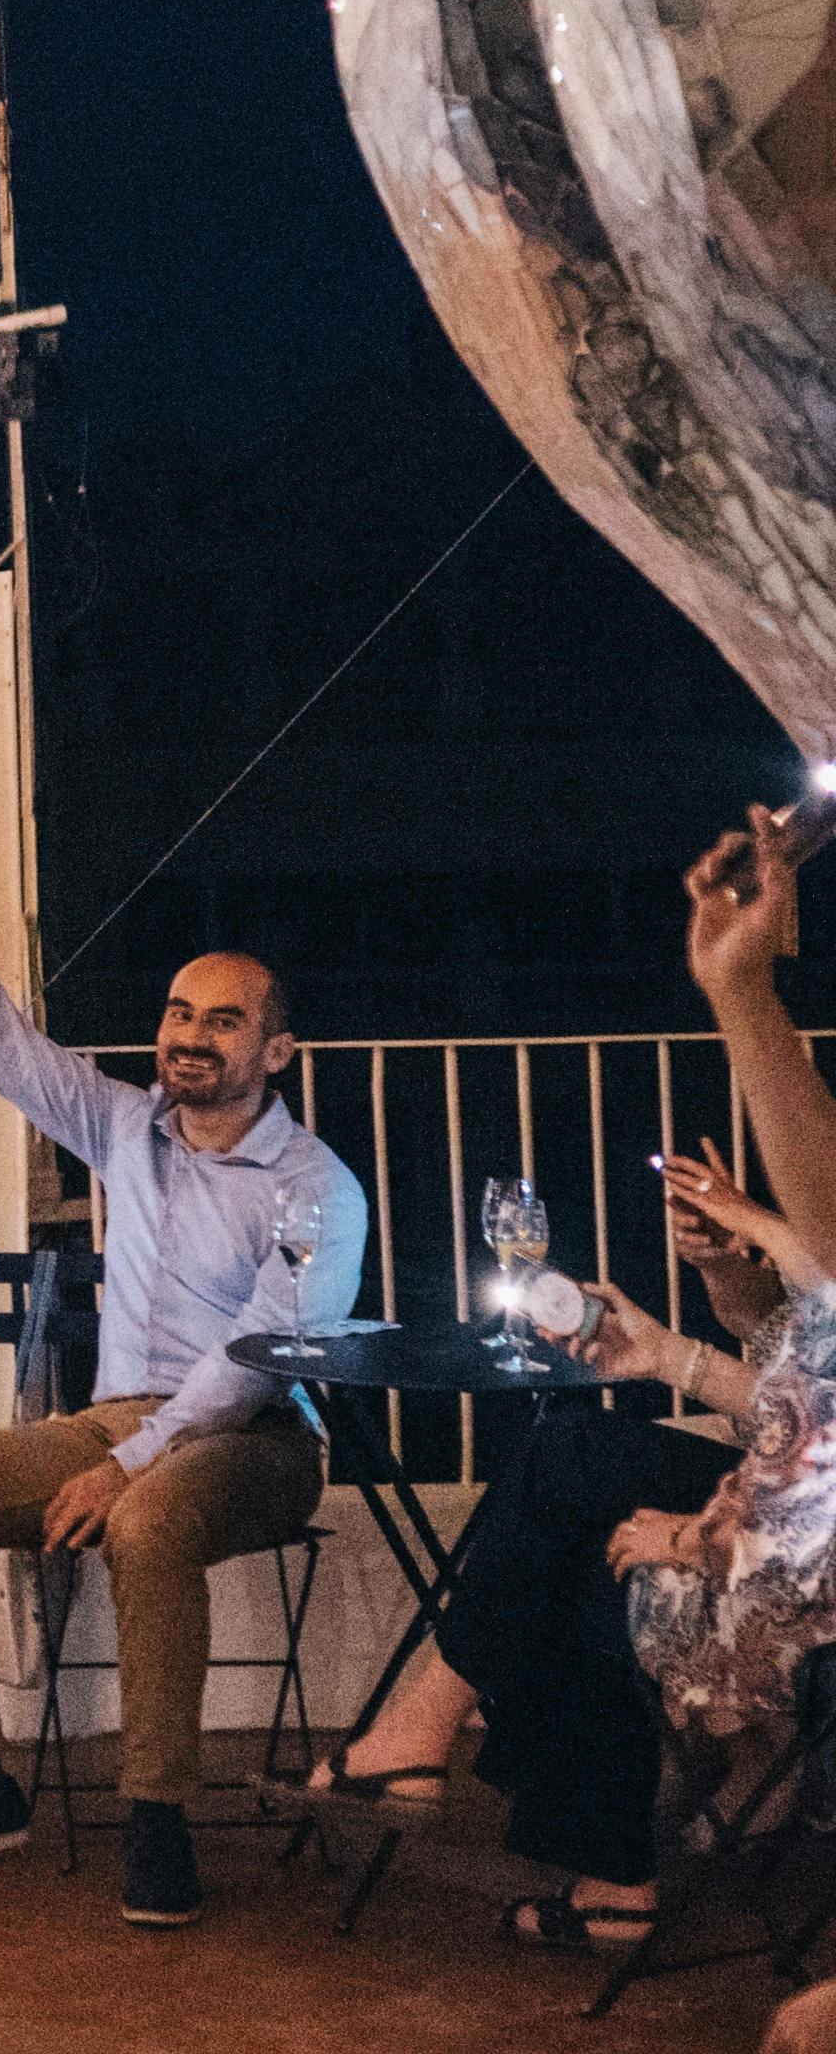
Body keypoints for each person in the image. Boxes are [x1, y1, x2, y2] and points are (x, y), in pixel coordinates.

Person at [307, 813, 836, 1954]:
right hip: (803, 1496)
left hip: (806, 1557)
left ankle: (512, 1785)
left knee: (569, 1543)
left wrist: (703, 1537)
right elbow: (814, 1371)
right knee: (573, 1467)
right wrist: (695, 1328)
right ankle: (531, 1798)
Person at [0, 780, 360, 1931]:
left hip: (256, 1437)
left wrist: (135, 1460)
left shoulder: (315, 1185)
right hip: (117, 1416)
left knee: (145, 1519)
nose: (188, 1032)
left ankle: (158, 1814)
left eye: (223, 1018)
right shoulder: (126, 1123)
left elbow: (262, 1356)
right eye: (179, 1010)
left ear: (276, 1046)